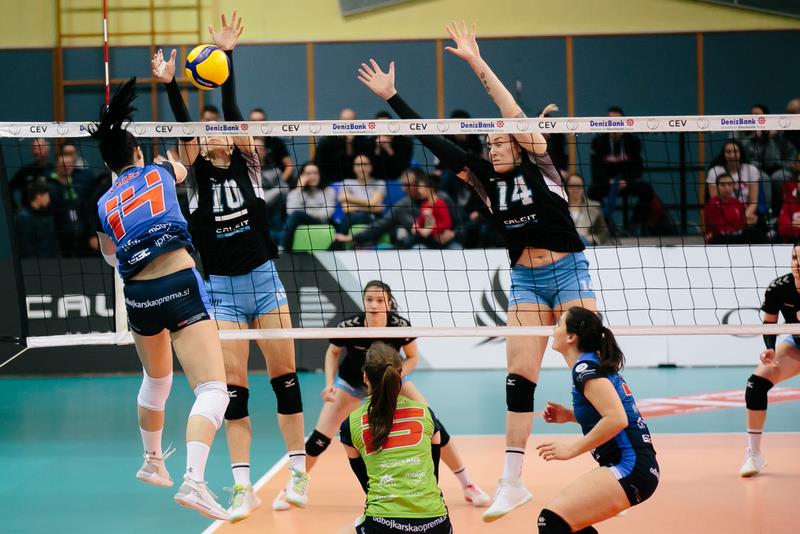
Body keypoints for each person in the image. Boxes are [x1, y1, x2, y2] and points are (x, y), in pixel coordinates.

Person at [357, 20, 596, 522]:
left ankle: (612, 452)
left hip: (569, 271)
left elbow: (509, 111)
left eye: (500, 141)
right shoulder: (484, 177)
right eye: (489, 143)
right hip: (526, 280)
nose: (493, 146)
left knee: (589, 367)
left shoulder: (538, 161)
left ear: (519, 142)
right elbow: (434, 141)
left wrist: (475, 61)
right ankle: (512, 482)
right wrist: (393, 97)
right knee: (518, 379)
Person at [152, 11, 308, 521]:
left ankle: (298, 473)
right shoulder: (195, 177)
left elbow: (234, 109)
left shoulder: (249, 165)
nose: (214, 134)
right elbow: (184, 127)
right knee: (234, 391)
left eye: (222, 130)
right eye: (207, 132)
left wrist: (227, 57)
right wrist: (171, 85)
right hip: (221, 292)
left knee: (284, 378)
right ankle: (244, 486)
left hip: (264, 282)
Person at [92, 77, 230, 520]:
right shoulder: (159, 171)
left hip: (138, 295)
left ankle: (152, 462)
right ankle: (194, 481)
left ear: (109, 164)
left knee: (157, 380)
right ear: (137, 152)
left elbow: (110, 257)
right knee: (214, 390)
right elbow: (188, 160)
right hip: (179, 284)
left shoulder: (104, 203)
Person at [272, 280, 490, 511]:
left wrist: (394, 378)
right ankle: (293, 487)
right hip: (352, 384)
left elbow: (412, 357)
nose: (374, 305)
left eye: (380, 300)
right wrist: (329, 384)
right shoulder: (349, 326)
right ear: (364, 301)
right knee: (319, 438)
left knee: (433, 423)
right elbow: (332, 353)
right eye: (369, 299)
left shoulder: (400, 326)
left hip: (391, 380)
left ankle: (468, 485)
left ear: (389, 303)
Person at [536, 307, 659, 533]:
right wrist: (570, 416)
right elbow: (608, 414)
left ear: (571, 337)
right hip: (635, 465)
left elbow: (617, 419)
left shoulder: (585, 368)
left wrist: (571, 449)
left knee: (551, 520)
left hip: (630, 466)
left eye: (559, 324)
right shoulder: (591, 363)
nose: (553, 329)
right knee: (569, 524)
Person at [340, 342, 453, 534]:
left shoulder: (350, 425)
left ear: (365, 376)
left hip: (383, 524)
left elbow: (366, 483)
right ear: (400, 376)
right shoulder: (426, 413)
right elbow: (433, 475)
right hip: (436, 523)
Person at [739, 243, 800, 477]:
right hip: (796, 346)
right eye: (794, 258)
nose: (797, 264)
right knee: (756, 384)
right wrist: (770, 349)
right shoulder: (779, 287)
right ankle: (754, 455)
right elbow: (769, 323)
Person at [706, 140, 761, 228]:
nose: (732, 155)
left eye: (735, 152)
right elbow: (715, 202)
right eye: (728, 152)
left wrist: (742, 217)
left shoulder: (751, 170)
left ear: (741, 153)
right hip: (723, 214)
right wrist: (734, 218)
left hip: (746, 213)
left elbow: (753, 202)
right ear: (723, 154)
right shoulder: (715, 171)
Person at [283, 161, 336, 250]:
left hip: (320, 223)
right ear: (301, 176)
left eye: (315, 173)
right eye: (308, 174)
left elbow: (327, 213)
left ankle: (284, 248)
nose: (312, 176)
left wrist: (305, 213)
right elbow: (290, 211)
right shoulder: (295, 192)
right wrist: (299, 189)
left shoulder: (329, 191)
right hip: (299, 224)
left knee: (297, 215)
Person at [704, 173, 767, 244]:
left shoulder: (736, 202)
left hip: (735, 236)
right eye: (723, 185)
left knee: (756, 230)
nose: (727, 188)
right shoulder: (712, 205)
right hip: (718, 240)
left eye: (729, 184)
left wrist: (752, 220)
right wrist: (740, 225)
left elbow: (744, 222)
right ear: (717, 187)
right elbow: (721, 230)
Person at [336, 153, 387, 234]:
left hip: (373, 219)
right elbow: (346, 209)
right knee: (357, 217)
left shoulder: (380, 183)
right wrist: (370, 206)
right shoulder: (346, 182)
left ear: (371, 167)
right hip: (351, 218)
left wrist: (349, 198)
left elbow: (374, 204)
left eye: (365, 164)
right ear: (354, 168)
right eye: (358, 165)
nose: (362, 168)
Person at [566, 175, 609, 246]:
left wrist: (593, 238)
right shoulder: (560, 207)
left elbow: (604, 232)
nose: (575, 189)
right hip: (566, 245)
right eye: (572, 186)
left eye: (579, 186)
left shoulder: (594, 207)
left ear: (583, 188)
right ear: (567, 187)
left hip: (587, 245)